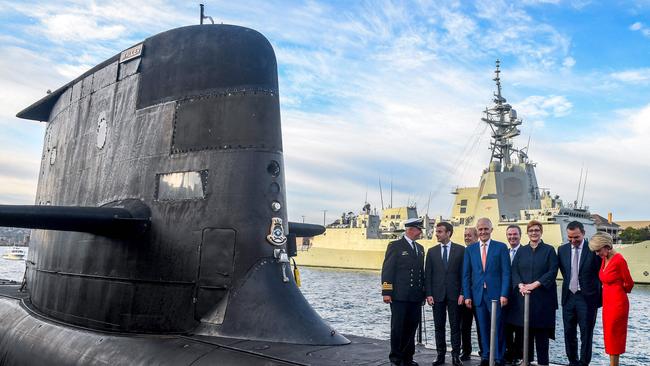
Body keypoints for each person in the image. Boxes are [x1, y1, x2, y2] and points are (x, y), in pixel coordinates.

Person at [462, 218, 510, 366]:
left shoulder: (501, 247)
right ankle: (485, 356)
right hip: (478, 295)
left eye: (485, 229)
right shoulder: (470, 249)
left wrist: (504, 293)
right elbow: (466, 274)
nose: (483, 232)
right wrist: (467, 296)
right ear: (477, 231)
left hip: (496, 295)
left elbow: (506, 273)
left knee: (498, 327)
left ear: (491, 230)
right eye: (480, 229)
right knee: (482, 327)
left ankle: (498, 357)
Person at [510, 220, 558, 366]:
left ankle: (543, 363)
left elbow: (552, 271)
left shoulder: (549, 250)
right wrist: (520, 285)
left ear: (541, 231)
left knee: (542, 334)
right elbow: (514, 270)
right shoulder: (521, 251)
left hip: (543, 299)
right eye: (531, 230)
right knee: (526, 333)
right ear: (527, 233)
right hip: (524, 298)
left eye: (536, 230)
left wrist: (534, 285)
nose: (534, 233)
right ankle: (526, 360)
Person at [382, 218, 426, 366]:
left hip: (415, 296)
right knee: (398, 327)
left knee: (412, 327)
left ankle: (408, 357)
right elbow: (388, 269)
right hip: (399, 296)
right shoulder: (395, 246)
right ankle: (396, 358)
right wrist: (386, 292)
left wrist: (423, 293)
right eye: (419, 229)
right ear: (411, 230)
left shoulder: (420, 248)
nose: (421, 233)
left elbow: (420, 272)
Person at [557, 221, 601, 366]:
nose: (573, 241)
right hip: (568, 297)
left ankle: (583, 363)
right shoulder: (562, 250)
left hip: (587, 299)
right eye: (570, 237)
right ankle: (572, 362)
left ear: (583, 233)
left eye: (576, 237)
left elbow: (599, 272)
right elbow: (566, 272)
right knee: (569, 333)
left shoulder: (593, 249)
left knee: (586, 334)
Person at [588, 232, 633, 366]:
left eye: (598, 250)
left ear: (606, 246)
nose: (596, 253)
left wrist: (617, 289)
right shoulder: (604, 259)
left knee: (615, 337)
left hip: (618, 304)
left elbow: (629, 284)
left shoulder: (619, 260)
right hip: (607, 304)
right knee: (609, 336)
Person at [425, 222, 465, 366]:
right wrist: (428, 294)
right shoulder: (432, 251)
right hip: (437, 295)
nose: (437, 234)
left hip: (455, 296)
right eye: (437, 231)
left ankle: (455, 356)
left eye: (440, 231)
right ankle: (440, 355)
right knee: (438, 326)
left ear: (448, 233)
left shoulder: (461, 250)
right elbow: (427, 275)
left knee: (455, 327)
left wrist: (462, 293)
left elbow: (464, 274)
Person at [459, 227, 483, 361]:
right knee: (465, 327)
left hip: (479, 296)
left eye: (469, 235)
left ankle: (483, 351)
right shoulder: (462, 252)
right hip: (465, 296)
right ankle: (466, 351)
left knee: (481, 326)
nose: (467, 237)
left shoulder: (482, 252)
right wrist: (462, 293)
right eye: (465, 235)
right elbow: (462, 276)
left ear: (476, 236)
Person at [503, 225, 523, 366]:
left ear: (520, 235)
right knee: (506, 326)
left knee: (520, 327)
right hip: (506, 295)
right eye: (509, 235)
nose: (512, 237)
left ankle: (519, 355)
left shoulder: (525, 252)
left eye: (515, 234)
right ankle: (509, 354)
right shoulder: (504, 252)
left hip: (520, 295)